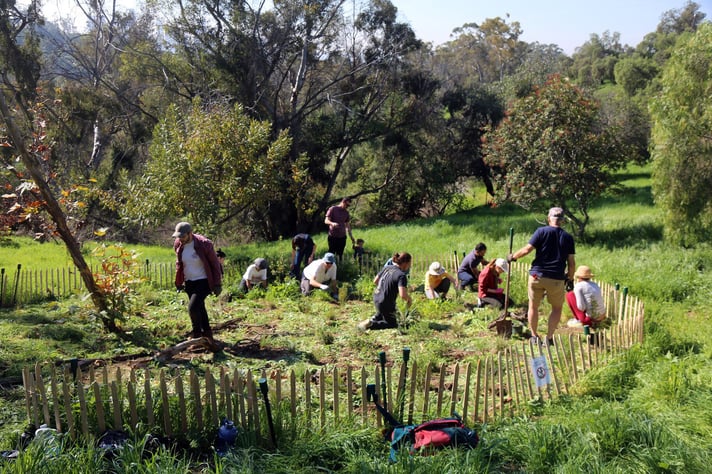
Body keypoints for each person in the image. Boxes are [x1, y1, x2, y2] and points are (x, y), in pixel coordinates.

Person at [509, 207, 575, 346]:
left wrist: (513, 257)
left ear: (549, 218)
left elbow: (527, 250)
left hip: (537, 276)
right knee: (557, 308)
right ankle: (549, 338)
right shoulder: (568, 238)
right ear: (562, 221)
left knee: (533, 306)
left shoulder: (541, 231)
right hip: (556, 278)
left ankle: (534, 336)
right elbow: (571, 262)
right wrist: (570, 278)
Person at [172, 222, 222, 346]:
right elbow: (180, 264)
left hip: (204, 280)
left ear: (190, 233)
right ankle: (208, 335)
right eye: (178, 237)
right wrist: (179, 281)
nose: (180, 239)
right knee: (200, 308)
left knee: (193, 307)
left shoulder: (204, 244)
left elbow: (215, 264)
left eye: (183, 236)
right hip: (189, 281)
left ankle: (196, 336)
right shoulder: (178, 244)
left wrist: (217, 283)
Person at [358, 252, 412, 330]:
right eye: (410, 263)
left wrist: (384, 288)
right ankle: (371, 324)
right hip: (385, 302)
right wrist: (409, 300)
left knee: (384, 313)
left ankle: (374, 318)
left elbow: (375, 281)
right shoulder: (401, 275)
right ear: (405, 263)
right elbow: (403, 295)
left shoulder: (387, 267)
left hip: (376, 297)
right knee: (392, 324)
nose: (410, 265)